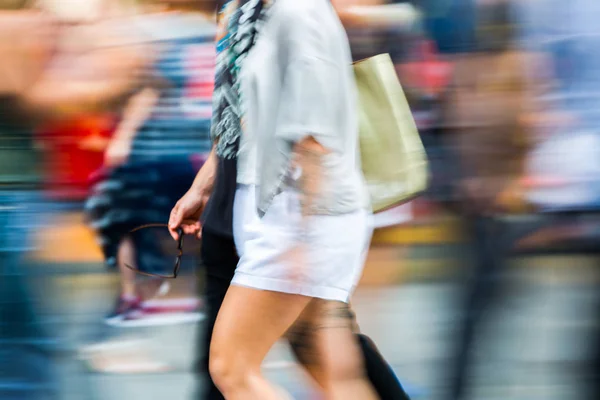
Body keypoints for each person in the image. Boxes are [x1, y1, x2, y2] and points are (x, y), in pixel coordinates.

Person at [170, 0, 410, 399]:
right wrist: (203, 185)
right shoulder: (241, 7)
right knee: (332, 369)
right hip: (268, 205)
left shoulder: (298, 10)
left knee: (232, 369)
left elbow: (312, 131)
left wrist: (302, 236)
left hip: (300, 210)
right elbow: (237, 112)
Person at [84, 0, 217, 327]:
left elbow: (149, 88)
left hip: (157, 149)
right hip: (196, 149)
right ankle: (178, 295)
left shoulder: (155, 32)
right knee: (181, 223)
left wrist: (123, 137)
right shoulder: (212, 31)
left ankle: (145, 297)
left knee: (129, 222)